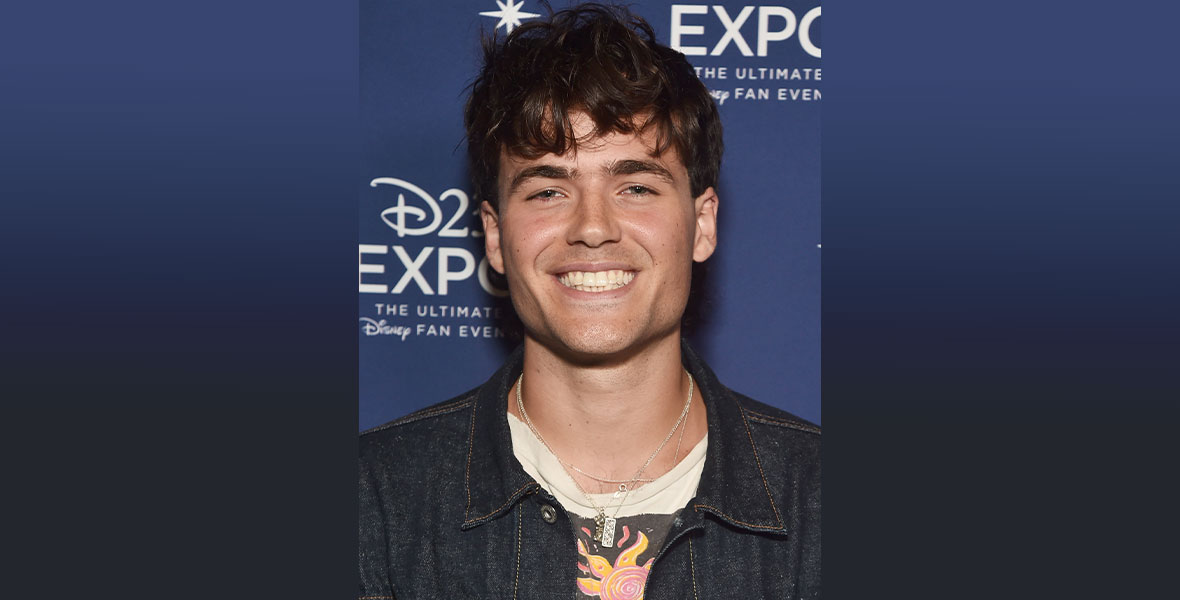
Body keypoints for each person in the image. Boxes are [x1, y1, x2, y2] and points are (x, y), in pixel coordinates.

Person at [359, 4, 820, 598]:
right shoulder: (373, 499)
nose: (594, 228)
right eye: (549, 190)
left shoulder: (816, 496)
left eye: (635, 187)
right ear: (495, 238)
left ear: (702, 224)